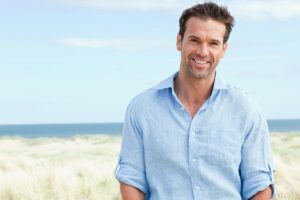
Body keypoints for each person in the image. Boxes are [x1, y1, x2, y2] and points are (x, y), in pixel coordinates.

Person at [115, 2, 275, 200]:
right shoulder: (141, 108)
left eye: (213, 43)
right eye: (194, 40)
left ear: (224, 49)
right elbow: (132, 179)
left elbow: (258, 185)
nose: (203, 51)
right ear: (179, 41)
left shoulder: (246, 109)